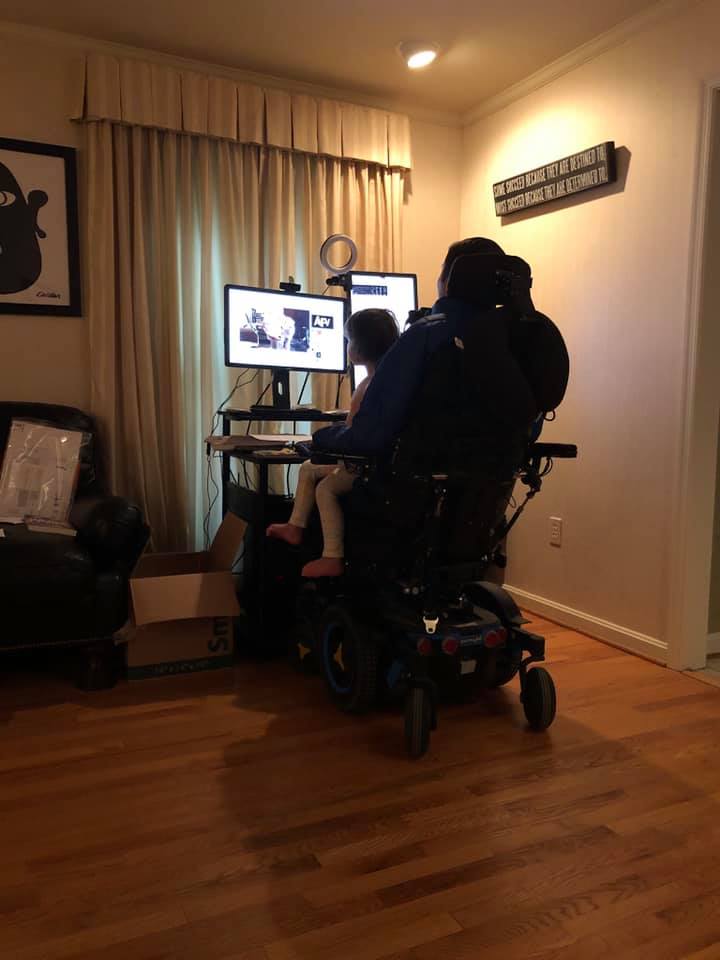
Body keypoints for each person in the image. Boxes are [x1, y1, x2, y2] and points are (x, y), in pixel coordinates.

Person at [311, 238, 506, 457]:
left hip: (418, 476)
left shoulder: (424, 336)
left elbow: (371, 433)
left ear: (449, 280)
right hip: (491, 480)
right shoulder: (518, 336)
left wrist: (319, 438)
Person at [266, 308, 399, 576]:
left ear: (358, 349)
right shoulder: (388, 382)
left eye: (349, 341)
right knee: (306, 468)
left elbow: (355, 433)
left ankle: (332, 555)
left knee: (325, 488)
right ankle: (295, 526)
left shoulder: (370, 386)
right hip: (366, 463)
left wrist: (324, 438)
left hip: (361, 467)